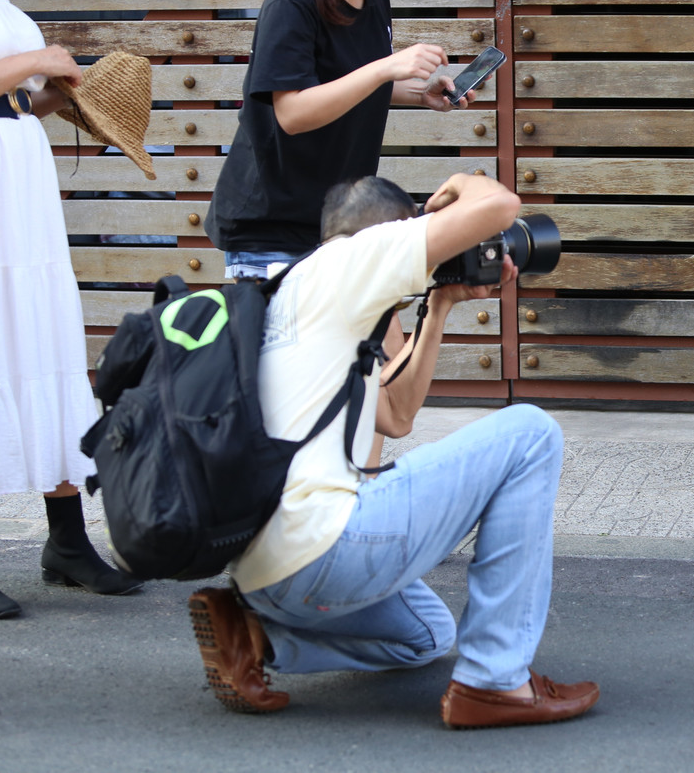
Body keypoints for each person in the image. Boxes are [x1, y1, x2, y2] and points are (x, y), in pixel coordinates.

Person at [187, 172, 599, 728]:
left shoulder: (295, 291)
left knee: (427, 635)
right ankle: (496, 683)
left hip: (270, 574)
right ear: (391, 233)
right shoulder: (355, 258)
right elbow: (500, 205)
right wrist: (459, 186)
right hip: (324, 549)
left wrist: (440, 305)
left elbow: (396, 415)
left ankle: (257, 640)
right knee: (529, 432)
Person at [204, 0, 464, 280]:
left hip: (338, 221)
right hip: (271, 231)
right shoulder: (291, 4)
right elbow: (293, 112)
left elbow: (344, 82)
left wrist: (419, 93)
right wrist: (386, 69)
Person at [0, 0, 142, 619]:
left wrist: (53, 90)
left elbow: (15, 103)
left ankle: (66, 540)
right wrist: (38, 55)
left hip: (18, 171)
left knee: (43, 338)